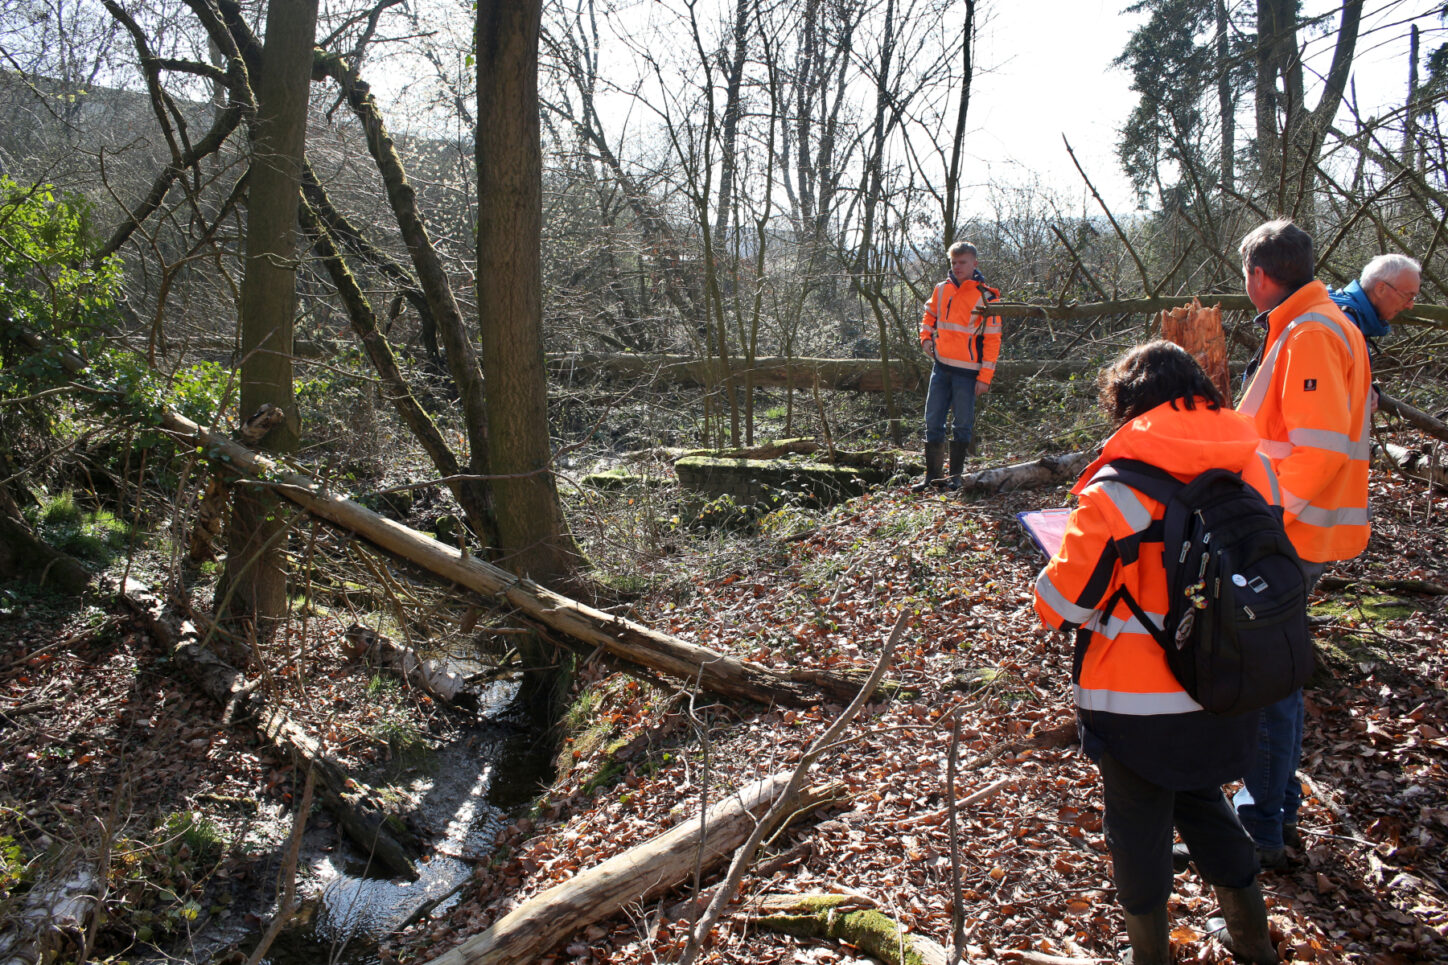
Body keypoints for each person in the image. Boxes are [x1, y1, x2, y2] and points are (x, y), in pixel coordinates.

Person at [1033, 341, 1279, 965]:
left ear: (1129, 405)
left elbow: (1062, 605)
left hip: (1136, 704)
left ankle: (1150, 957)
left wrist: (1052, 568)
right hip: (1230, 685)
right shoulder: (1255, 463)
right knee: (1203, 800)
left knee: (1137, 831)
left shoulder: (1117, 487)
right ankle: (1255, 943)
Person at [1234, 219, 1373, 867]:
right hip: (1294, 529)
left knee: (1268, 680)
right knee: (1278, 672)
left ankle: (1262, 821)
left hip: (1288, 533)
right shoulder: (1318, 325)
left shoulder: (1313, 333)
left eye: (1246, 276)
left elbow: (1313, 454)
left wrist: (1261, 526)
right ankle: (1274, 807)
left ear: (1262, 276)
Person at [915, 241, 1001, 491]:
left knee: (962, 424)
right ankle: (932, 478)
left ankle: (955, 478)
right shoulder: (941, 289)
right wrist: (925, 338)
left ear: (974, 263)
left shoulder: (987, 297)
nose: (958, 266)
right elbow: (929, 315)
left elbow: (993, 339)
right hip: (941, 367)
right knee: (932, 421)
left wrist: (985, 376)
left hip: (968, 372)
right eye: (954, 262)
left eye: (962, 262)